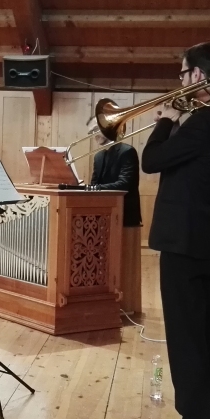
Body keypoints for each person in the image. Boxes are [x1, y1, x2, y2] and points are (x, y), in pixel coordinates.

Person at [139, 42, 210, 419]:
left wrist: (166, 121)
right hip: (208, 243)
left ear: (199, 76)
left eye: (183, 73)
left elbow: (151, 161)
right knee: (204, 333)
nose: (179, 81)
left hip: (184, 243)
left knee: (186, 337)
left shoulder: (202, 125)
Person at [86, 115, 143, 314]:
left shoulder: (127, 152)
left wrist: (93, 189)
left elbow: (124, 184)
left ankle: (126, 306)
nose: (92, 135)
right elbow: (94, 185)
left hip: (125, 217)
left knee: (124, 267)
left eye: (95, 129)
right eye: (90, 131)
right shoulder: (98, 156)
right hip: (103, 219)